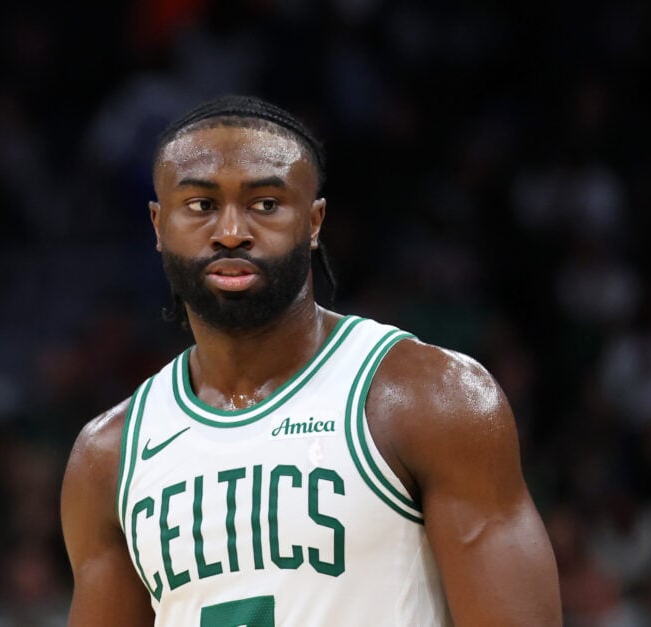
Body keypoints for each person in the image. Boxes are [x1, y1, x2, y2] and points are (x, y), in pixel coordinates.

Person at [61, 95, 562, 626]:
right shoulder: (108, 457)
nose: (232, 231)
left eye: (266, 204)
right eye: (202, 206)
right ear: (159, 226)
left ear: (314, 220)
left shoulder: (430, 398)